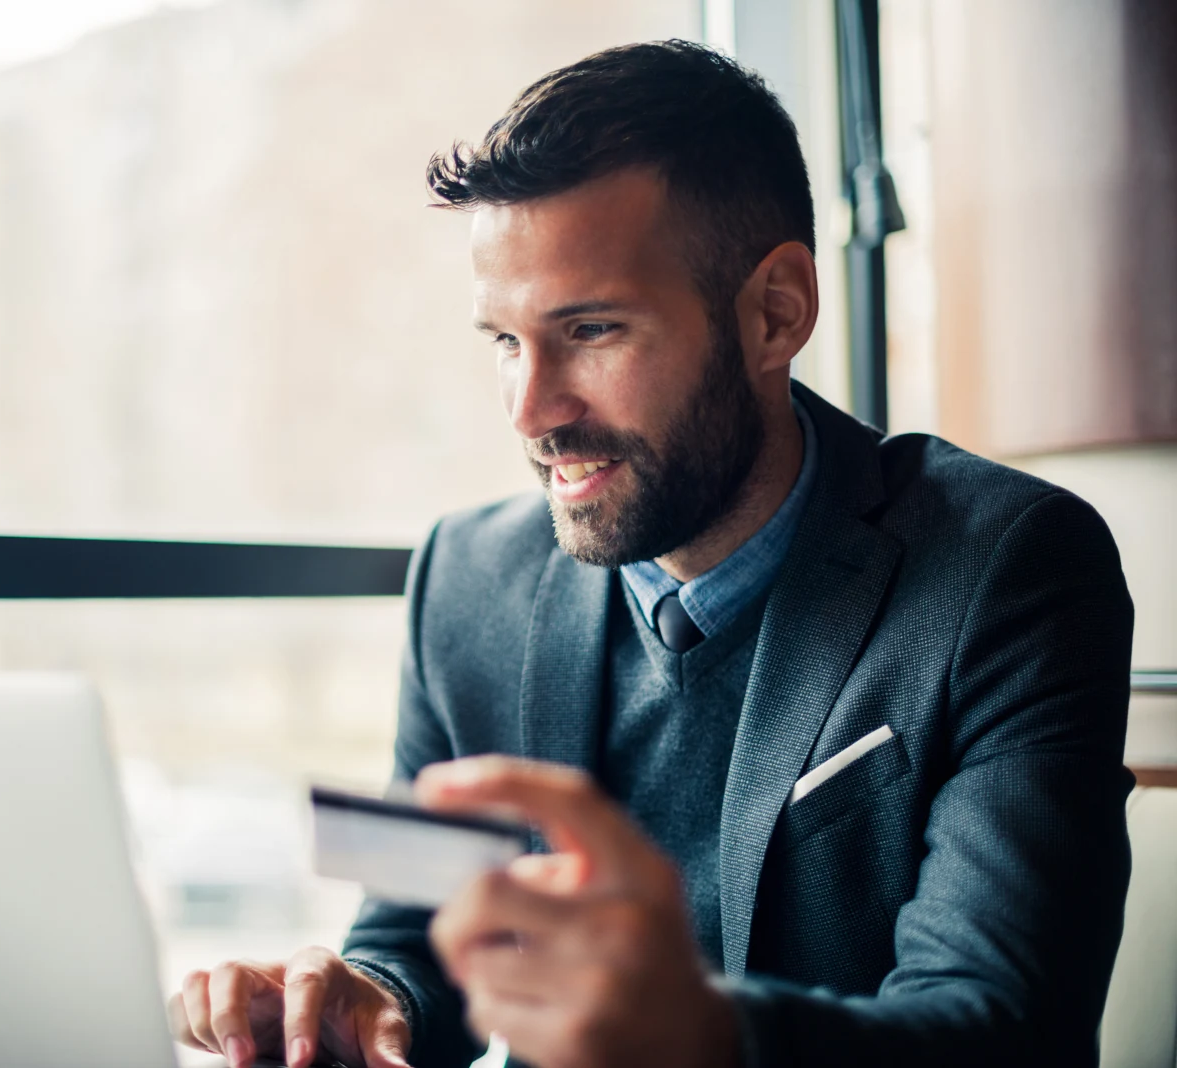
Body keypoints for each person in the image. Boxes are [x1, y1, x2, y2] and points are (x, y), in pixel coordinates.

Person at [167, 40, 1134, 1068]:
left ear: (776, 312)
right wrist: (363, 1006)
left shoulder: (1009, 567)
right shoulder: (467, 581)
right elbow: (420, 938)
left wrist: (698, 1037)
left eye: (589, 330)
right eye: (503, 341)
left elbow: (1001, 1029)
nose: (531, 411)